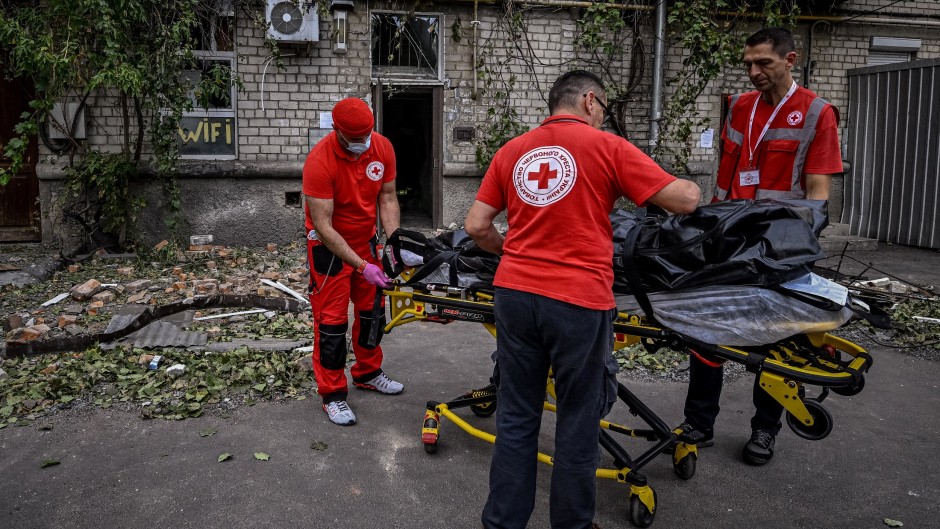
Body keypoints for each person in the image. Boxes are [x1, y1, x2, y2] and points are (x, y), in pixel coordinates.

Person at [465, 70, 701, 529]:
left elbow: (476, 225)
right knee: (577, 422)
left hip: (514, 295)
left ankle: (502, 522)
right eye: (604, 108)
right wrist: (689, 184)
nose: (602, 116)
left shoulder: (513, 150)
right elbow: (684, 201)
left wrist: (511, 252)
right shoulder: (608, 147)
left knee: (516, 417)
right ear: (591, 101)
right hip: (578, 300)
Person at [683, 26, 843, 465]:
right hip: (730, 240)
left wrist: (796, 247)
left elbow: (817, 194)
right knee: (707, 333)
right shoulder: (739, 107)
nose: (753, 72)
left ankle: (765, 430)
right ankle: (698, 424)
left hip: (779, 248)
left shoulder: (816, 113)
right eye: (748, 63)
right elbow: (725, 178)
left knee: (776, 341)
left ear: (791, 60)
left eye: (763, 63)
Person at [302, 97, 403, 426]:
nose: (363, 142)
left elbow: (387, 197)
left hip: (366, 241)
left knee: (372, 312)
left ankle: (368, 373)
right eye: (356, 138)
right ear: (337, 131)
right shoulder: (319, 161)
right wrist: (361, 266)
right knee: (331, 324)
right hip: (329, 249)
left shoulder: (382, 147)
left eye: (366, 135)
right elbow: (323, 226)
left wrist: (395, 246)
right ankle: (332, 394)